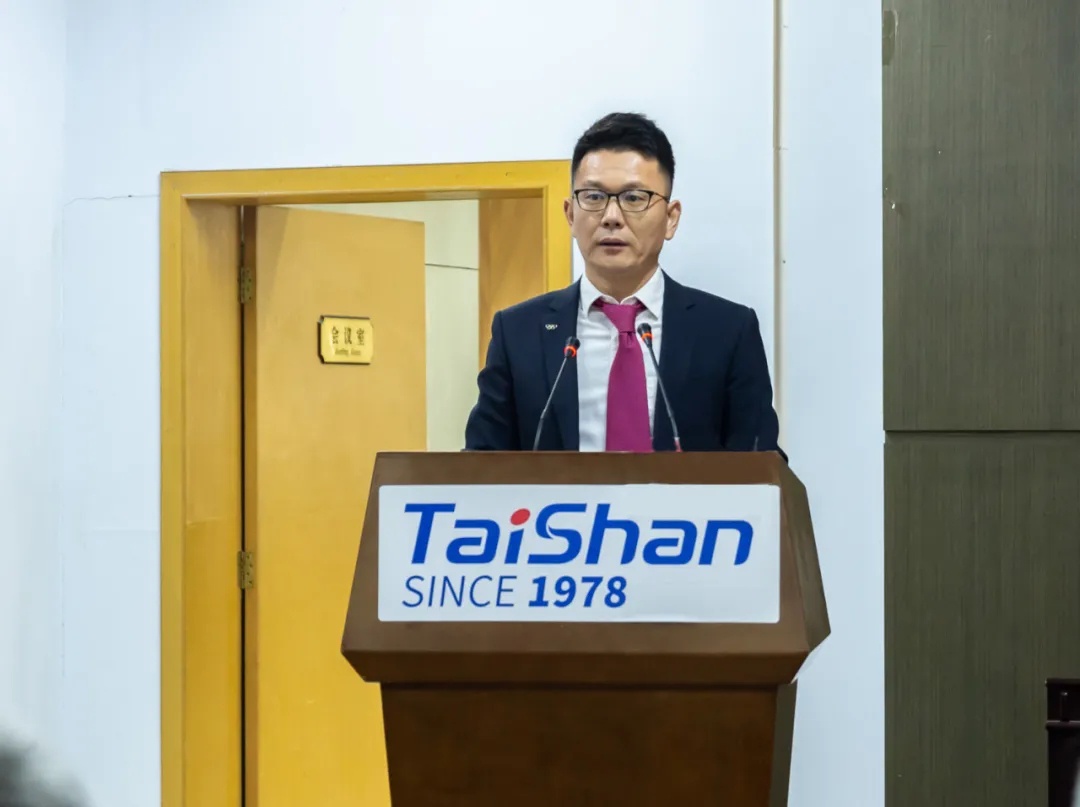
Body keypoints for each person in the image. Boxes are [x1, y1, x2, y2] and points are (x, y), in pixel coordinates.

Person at [464, 111, 783, 456]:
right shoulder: (518, 332)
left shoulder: (727, 331)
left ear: (671, 218)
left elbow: (761, 463)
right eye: (594, 197)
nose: (612, 218)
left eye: (634, 198)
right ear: (570, 215)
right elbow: (481, 464)